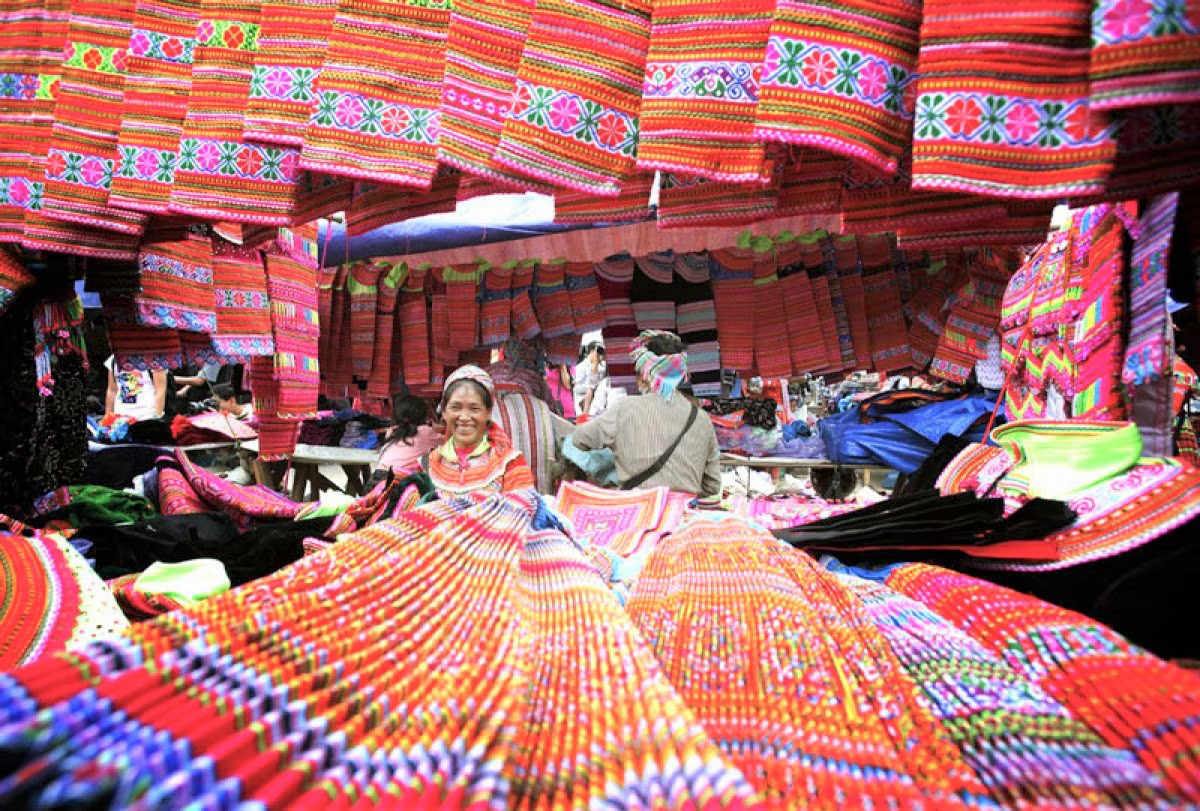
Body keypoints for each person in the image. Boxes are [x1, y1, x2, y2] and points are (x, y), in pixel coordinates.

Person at [572, 330, 720, 497]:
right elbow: (712, 485)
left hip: (637, 513)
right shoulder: (702, 419)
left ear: (645, 374)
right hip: (683, 515)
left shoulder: (625, 408)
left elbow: (579, 439)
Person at [413, 365, 535, 498]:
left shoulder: (510, 464)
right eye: (456, 407)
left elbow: (524, 512)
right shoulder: (427, 466)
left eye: (474, 408)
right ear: (444, 412)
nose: (464, 417)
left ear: (488, 412)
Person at [377, 393, 441, 473]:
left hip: (378, 477)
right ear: (423, 415)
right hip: (398, 479)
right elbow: (450, 442)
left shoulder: (392, 431)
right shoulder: (425, 431)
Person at [104, 355, 169, 422]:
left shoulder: (154, 358)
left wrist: (156, 418)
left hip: (147, 416)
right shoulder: (113, 359)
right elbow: (112, 390)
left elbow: (160, 390)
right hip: (120, 419)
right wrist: (107, 420)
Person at [573, 342, 608, 416]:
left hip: (599, 402)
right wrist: (592, 386)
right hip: (585, 403)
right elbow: (576, 388)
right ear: (592, 351)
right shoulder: (581, 367)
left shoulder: (602, 366)